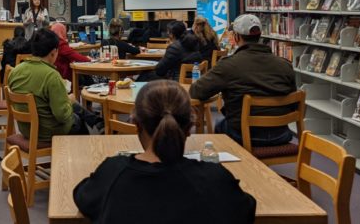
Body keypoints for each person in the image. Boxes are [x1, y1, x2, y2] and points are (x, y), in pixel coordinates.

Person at [73, 81, 256, 224]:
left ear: (136, 124)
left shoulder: (112, 173)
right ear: (190, 127)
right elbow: (246, 209)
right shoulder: (215, 179)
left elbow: (82, 196)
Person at [190, 14, 297, 147]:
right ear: (259, 36)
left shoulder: (228, 65)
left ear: (236, 37)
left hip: (242, 134)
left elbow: (196, 91)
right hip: (280, 134)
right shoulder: (285, 65)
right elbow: (294, 105)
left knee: (220, 126)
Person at [7, 28, 102, 142]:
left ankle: (97, 122)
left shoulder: (15, 71)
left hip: (26, 129)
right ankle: (83, 150)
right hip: (47, 131)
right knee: (76, 120)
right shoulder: (51, 75)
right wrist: (69, 102)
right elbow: (62, 116)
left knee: (72, 107)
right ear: (53, 52)